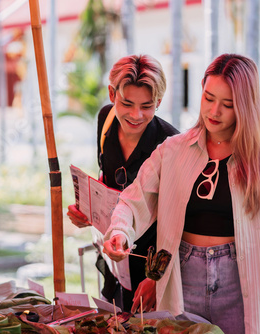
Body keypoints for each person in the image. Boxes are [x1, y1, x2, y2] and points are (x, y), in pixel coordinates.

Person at [102, 54, 260, 334]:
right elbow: (134, 198)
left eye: (227, 104)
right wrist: (120, 232)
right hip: (182, 276)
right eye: (208, 98)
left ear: (245, 106)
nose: (214, 111)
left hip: (238, 284)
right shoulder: (173, 149)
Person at [67, 54, 179, 312]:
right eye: (126, 103)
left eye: (147, 106)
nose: (136, 115)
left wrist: (156, 277)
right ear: (111, 94)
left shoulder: (171, 144)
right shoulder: (105, 119)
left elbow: (178, 220)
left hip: (150, 265)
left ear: (159, 102)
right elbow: (107, 180)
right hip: (113, 253)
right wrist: (89, 211)